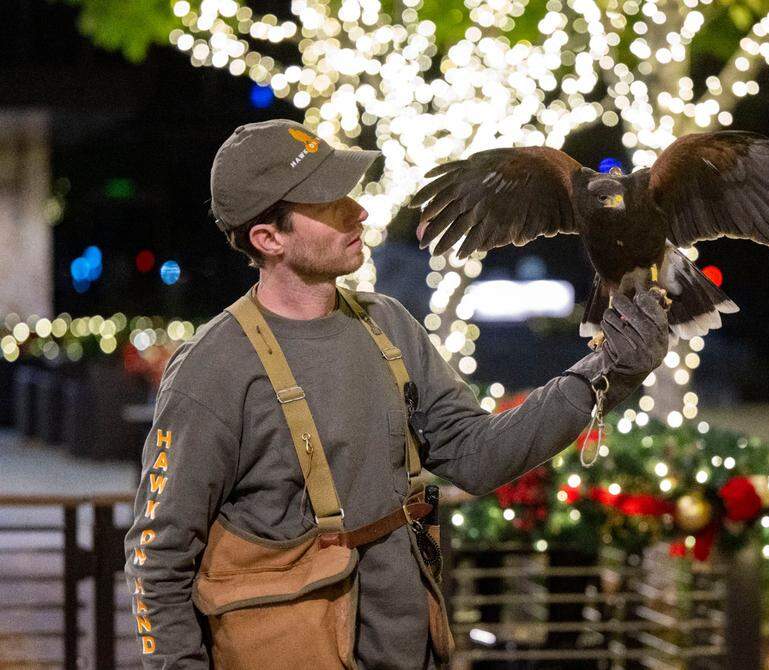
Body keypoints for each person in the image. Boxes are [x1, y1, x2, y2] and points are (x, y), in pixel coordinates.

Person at [122, 118, 670, 669]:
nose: (358, 210)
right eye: (328, 200)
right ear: (269, 238)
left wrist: (606, 373)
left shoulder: (387, 324)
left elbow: (475, 456)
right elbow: (157, 558)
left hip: (409, 650)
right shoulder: (211, 370)